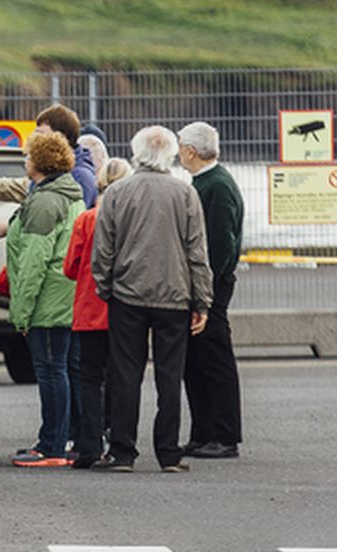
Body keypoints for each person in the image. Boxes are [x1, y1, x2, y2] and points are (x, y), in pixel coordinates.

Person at [92, 125, 212, 474]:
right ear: (172, 153)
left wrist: (105, 287)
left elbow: (104, 249)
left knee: (125, 374)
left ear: (137, 151)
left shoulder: (117, 193)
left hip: (128, 295)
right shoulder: (186, 194)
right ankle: (169, 453)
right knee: (169, 376)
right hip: (174, 295)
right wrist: (201, 300)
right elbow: (196, 251)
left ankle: (123, 452)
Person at [4, 132, 85, 468]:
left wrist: (21, 312)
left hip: (48, 302)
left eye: (27, 156)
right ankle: (62, 438)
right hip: (68, 297)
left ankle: (52, 446)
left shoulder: (44, 203)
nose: (25, 161)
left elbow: (34, 261)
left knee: (51, 371)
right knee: (65, 370)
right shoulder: (69, 194)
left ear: (39, 162)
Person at [178, 121, 245, 460]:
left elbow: (219, 246)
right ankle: (202, 431)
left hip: (212, 285)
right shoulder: (205, 183)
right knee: (196, 360)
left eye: (180, 146)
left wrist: (203, 291)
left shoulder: (216, 187)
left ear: (191, 150)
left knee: (215, 360)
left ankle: (224, 434)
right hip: (204, 284)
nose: (178, 153)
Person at [63, 157, 132, 468]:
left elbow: (70, 268)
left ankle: (89, 445)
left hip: (89, 309)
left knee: (90, 379)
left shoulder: (87, 219)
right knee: (121, 377)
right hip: (125, 309)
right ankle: (120, 444)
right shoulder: (132, 219)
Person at [0, 104, 98, 208]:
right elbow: (19, 187)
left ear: (60, 137)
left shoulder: (80, 176)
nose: (35, 139)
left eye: (41, 134)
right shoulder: (53, 173)